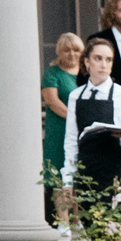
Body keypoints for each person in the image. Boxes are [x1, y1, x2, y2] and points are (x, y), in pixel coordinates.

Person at [63, 38, 121, 209]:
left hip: (114, 170)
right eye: (98, 58)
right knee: (91, 227)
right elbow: (72, 139)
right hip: (86, 171)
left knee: (112, 226)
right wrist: (68, 176)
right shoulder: (76, 96)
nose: (104, 64)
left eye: (108, 59)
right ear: (87, 62)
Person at [40, 34, 83, 224]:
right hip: (60, 132)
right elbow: (52, 101)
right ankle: (64, 223)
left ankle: (79, 222)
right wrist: (78, 119)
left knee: (80, 177)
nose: (72, 54)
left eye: (76, 50)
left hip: (83, 133)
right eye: (67, 50)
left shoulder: (86, 74)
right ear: (59, 52)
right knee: (61, 177)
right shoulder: (53, 73)